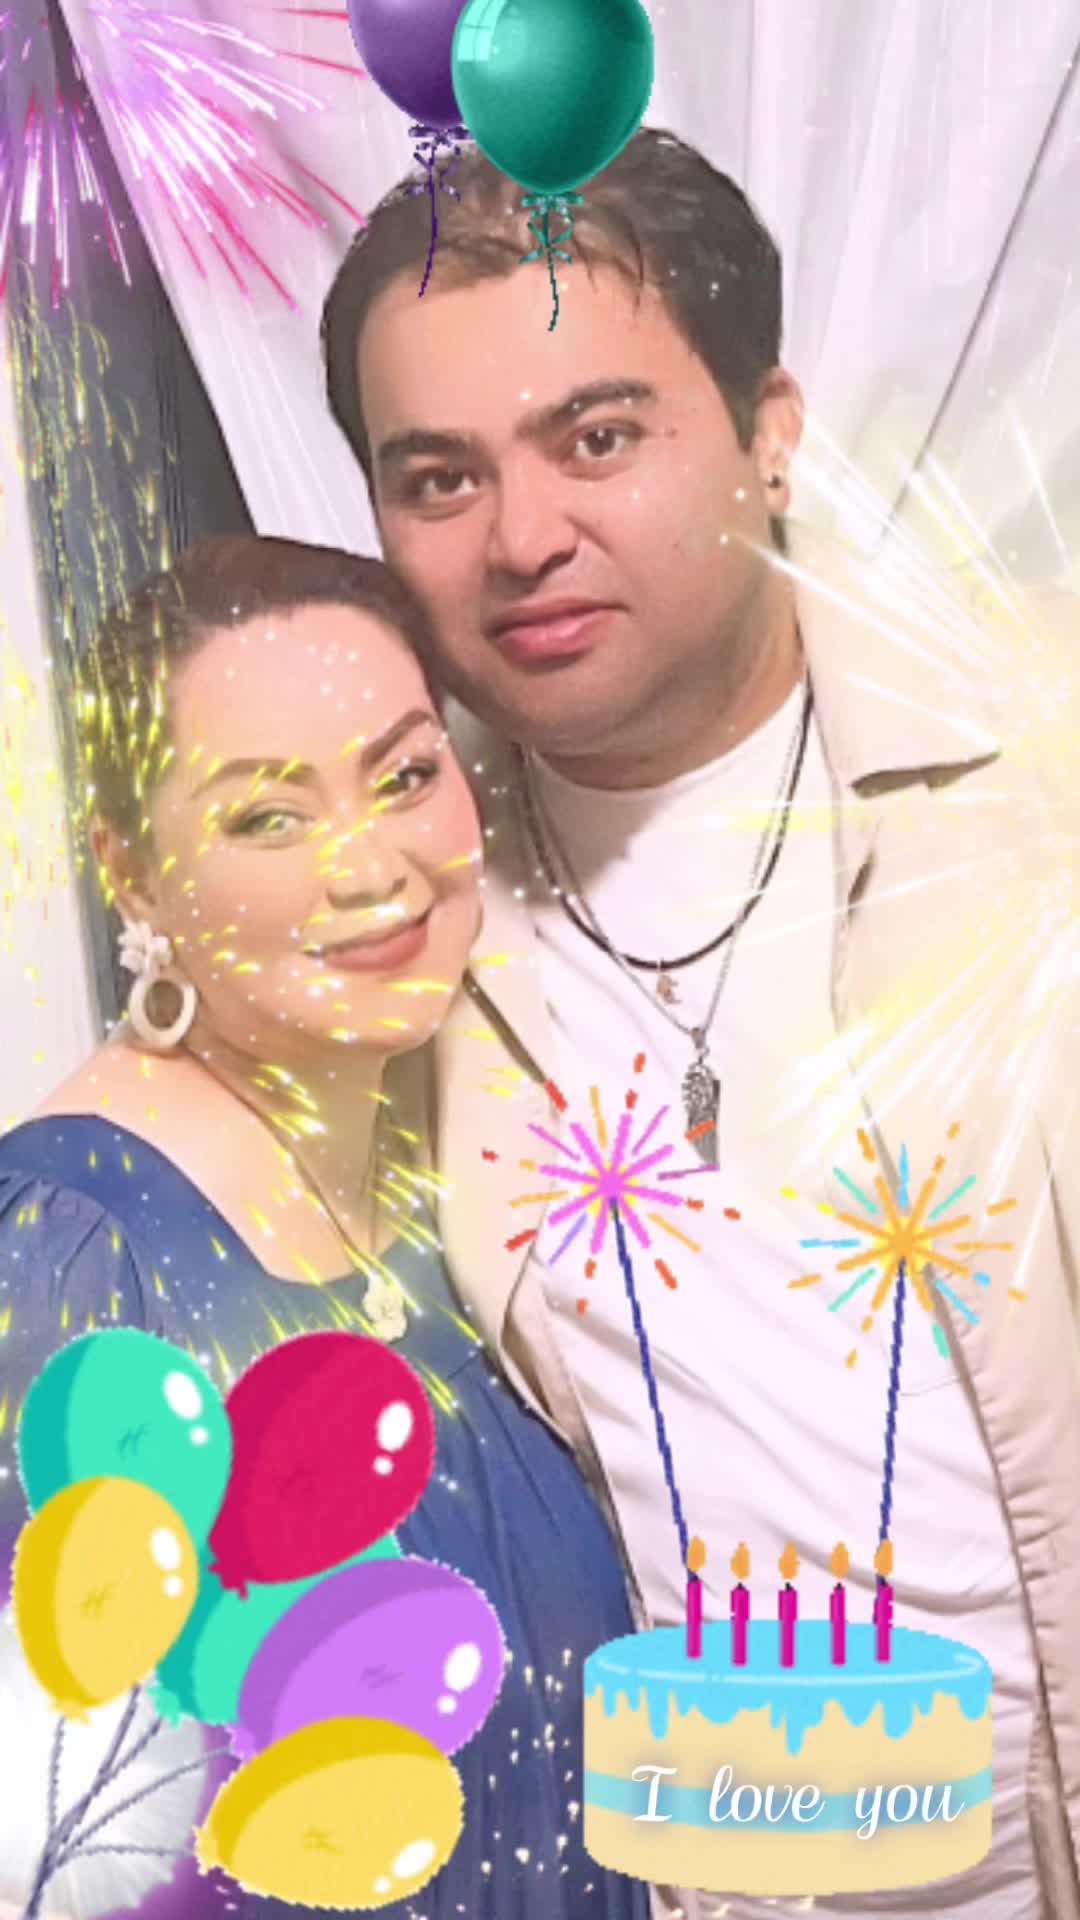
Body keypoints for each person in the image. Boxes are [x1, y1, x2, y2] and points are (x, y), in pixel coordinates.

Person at [320, 126, 1080, 1920]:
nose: (524, 538)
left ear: (770, 430)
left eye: (598, 437)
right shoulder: (396, 913)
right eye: (439, 477)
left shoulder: (1037, 767)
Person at [0, 534, 650, 1920]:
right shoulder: (69, 1261)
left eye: (406, 776)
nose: (373, 869)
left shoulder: (457, 1173)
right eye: (268, 817)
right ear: (132, 873)